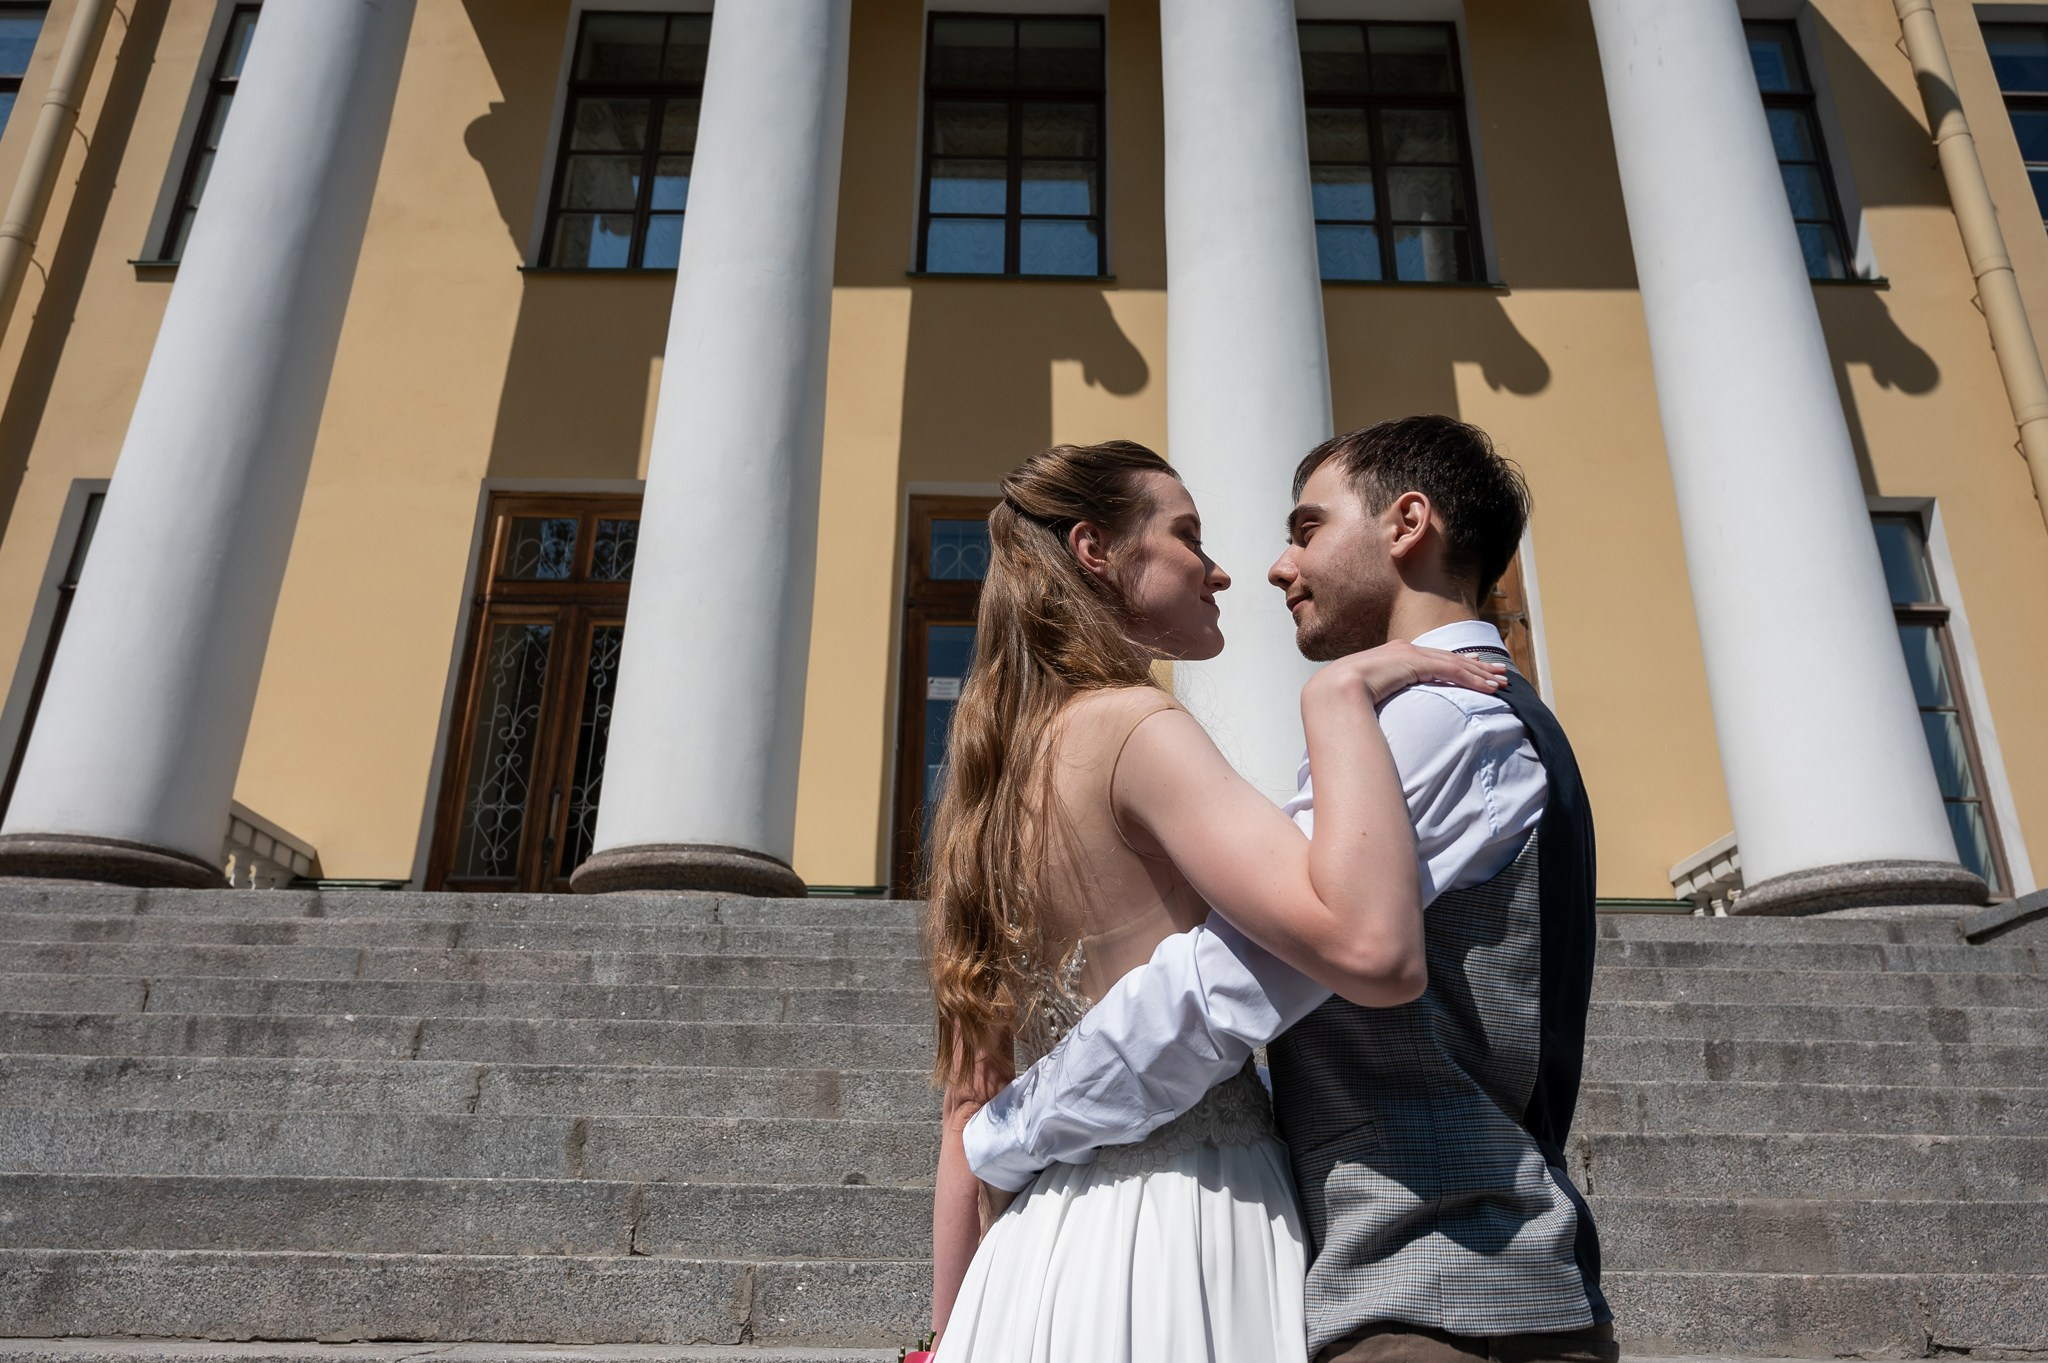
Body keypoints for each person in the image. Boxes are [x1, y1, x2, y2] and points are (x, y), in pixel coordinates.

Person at [964, 416, 1615, 1363]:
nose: (1273, 566)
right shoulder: (1431, 714)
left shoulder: (1440, 721)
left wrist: (1008, 1130)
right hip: (1433, 1283)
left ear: (1408, 523)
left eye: (1305, 528)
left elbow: (1222, 988)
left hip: (1447, 1294)